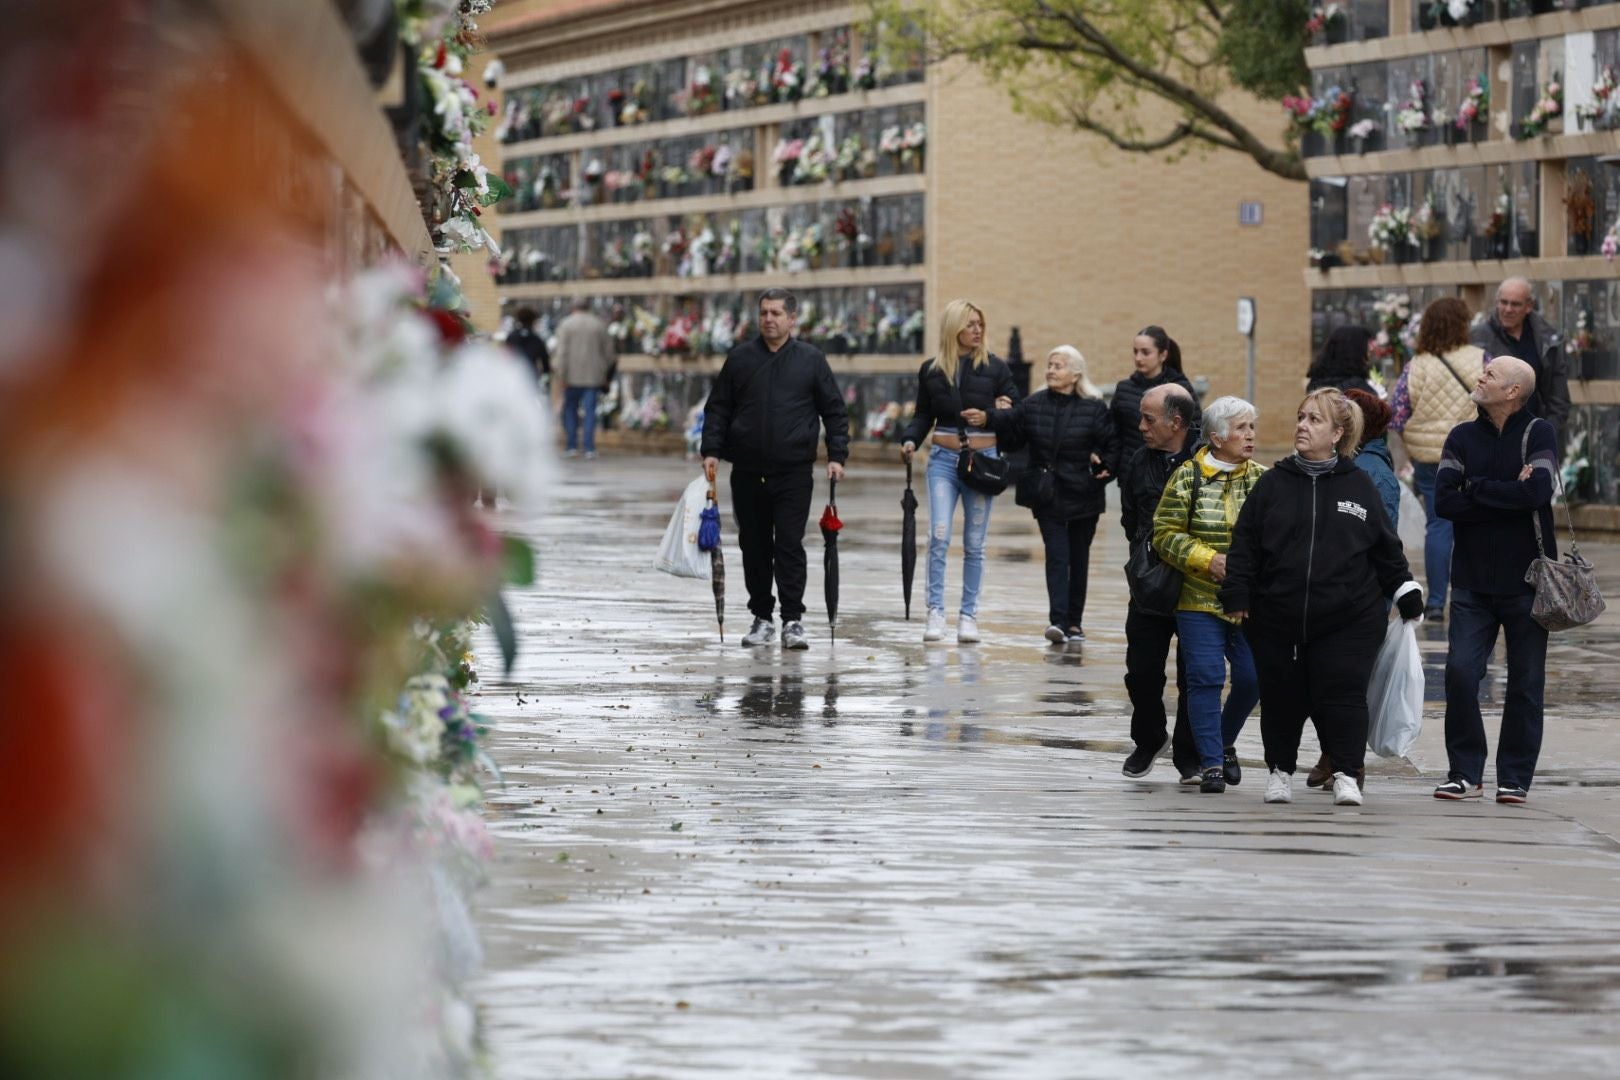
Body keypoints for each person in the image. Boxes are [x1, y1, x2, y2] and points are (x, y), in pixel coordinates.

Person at [1224, 389, 1422, 808]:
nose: (1302, 425)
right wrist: (1238, 594)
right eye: (1301, 417)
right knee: (1281, 697)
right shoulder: (1273, 483)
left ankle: (1347, 774)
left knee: (1345, 697)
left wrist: (1404, 589)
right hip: (1277, 616)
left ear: (1337, 433)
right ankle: (1279, 772)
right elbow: (1245, 545)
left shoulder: (1360, 484)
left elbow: (1386, 548)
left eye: (1314, 420)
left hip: (1348, 619)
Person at [1432, 357, 1556, 804]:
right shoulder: (1461, 437)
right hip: (1471, 581)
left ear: (1512, 391)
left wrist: (1477, 488)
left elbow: (1538, 492)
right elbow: (1445, 502)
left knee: (1526, 682)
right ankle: (1465, 773)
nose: (1480, 377)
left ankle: (1514, 777)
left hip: (1528, 581)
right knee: (1461, 674)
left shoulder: (1538, 433)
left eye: (1490, 375)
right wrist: (1506, 491)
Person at [702, 288, 850, 651]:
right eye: (764, 312)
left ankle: (793, 619)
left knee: (788, 543)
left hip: (794, 472)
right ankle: (762, 617)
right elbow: (718, 408)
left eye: (777, 313)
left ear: (792, 319)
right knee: (753, 545)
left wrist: (836, 455)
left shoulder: (811, 360)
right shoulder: (739, 360)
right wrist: (711, 451)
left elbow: (834, 410)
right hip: (748, 471)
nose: (769, 319)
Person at [1151, 396, 1265, 794]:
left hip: (1249, 600)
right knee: (1205, 679)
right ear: (1216, 437)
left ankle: (1224, 740)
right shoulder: (1187, 476)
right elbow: (1164, 534)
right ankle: (1212, 763)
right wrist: (1206, 559)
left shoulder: (1264, 479)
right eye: (1240, 428)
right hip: (1197, 597)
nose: (1249, 436)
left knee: (1253, 678)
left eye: (1252, 427)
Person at [900, 299, 1019, 645]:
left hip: (981, 464)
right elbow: (923, 415)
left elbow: (1017, 410)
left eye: (980, 324)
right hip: (942, 462)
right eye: (970, 324)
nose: (977, 330)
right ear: (954, 329)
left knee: (974, 544)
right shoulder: (932, 370)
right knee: (938, 537)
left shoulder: (996, 368)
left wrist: (989, 416)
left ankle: (968, 615)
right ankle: (935, 611)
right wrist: (909, 438)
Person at [987, 346, 1118, 643]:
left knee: (1079, 558)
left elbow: (1112, 446)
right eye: (1049, 364)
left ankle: (1075, 623)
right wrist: (1004, 416)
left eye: (1058, 366)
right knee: (1058, 557)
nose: (1050, 370)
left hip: (1085, 492)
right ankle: (1058, 621)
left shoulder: (1095, 407)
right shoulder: (1033, 404)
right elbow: (1014, 440)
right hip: (1048, 493)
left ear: (1075, 374)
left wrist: (1104, 462)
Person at [1119, 384, 1200, 782]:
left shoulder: (1207, 459)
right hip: (1150, 583)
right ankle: (1150, 739)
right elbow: (1130, 518)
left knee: (1195, 674)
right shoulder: (1138, 462)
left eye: (1149, 419)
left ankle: (1189, 753)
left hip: (1197, 583)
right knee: (1141, 672)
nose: (1141, 426)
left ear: (1177, 422)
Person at [1390, 297, 1487, 620]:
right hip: (1473, 453)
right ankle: (1472, 594)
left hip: (1429, 458)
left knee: (1438, 524)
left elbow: (1398, 413)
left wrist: (1413, 443)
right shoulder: (1481, 359)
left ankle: (1434, 604)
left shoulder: (1417, 364)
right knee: (1475, 523)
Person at [1470, 277, 1570, 451]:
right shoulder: (1477, 338)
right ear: (1496, 302)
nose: (1508, 309)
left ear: (1528, 306)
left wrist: (1546, 433)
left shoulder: (1546, 339)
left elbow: (1558, 396)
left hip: (1535, 439)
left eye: (1515, 304)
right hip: (1493, 441)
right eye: (1503, 302)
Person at [1112, 325, 1196, 463]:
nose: (1138, 358)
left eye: (1145, 352)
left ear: (1163, 355)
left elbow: (1194, 429)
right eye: (1135, 351)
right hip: (1130, 471)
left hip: (1170, 471)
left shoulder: (1180, 388)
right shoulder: (1124, 388)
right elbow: (1114, 433)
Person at [553, 298, 616, 458]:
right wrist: (605, 373)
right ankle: (589, 447)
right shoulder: (599, 325)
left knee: (570, 411)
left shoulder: (566, 325)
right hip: (593, 377)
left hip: (570, 377)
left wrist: (561, 375)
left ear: (573, 307)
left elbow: (561, 354)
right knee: (590, 412)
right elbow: (610, 354)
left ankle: (571, 445)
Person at [1306, 325, 1378, 397]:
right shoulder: (1358, 389)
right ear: (1355, 350)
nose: (1372, 348)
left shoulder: (1315, 385)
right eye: (1367, 344)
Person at [506, 306, 551, 387]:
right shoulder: (537, 339)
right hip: (530, 377)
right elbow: (545, 361)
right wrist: (546, 379)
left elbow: (505, 357)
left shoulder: (511, 337)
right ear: (533, 321)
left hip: (513, 376)